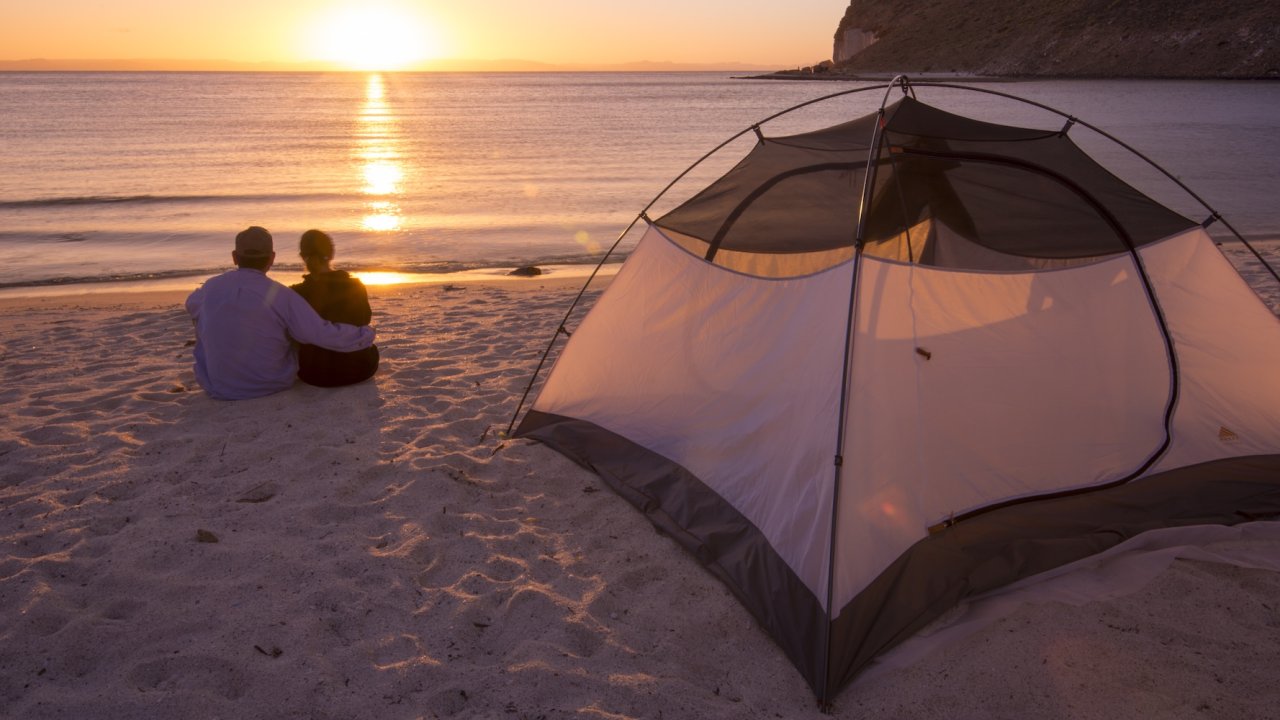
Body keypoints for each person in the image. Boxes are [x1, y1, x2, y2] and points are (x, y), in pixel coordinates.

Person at [185, 226, 375, 400]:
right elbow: (318, 333)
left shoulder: (210, 287)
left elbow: (191, 305)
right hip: (269, 383)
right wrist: (364, 335)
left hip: (217, 385)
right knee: (292, 330)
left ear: (235, 257)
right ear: (272, 258)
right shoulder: (280, 295)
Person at [289, 229, 380, 387]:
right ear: (331, 254)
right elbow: (364, 320)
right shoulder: (355, 286)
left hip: (314, 373)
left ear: (303, 257)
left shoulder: (295, 293)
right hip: (361, 369)